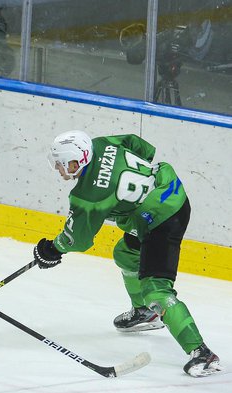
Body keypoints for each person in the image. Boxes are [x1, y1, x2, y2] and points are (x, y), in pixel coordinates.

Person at [32, 130, 222, 377]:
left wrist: (52, 249)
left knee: (157, 290)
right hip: (165, 190)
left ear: (78, 161)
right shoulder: (99, 144)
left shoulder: (89, 195)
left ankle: (202, 353)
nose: (59, 169)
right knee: (126, 254)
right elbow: (138, 144)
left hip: (162, 219)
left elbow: (77, 239)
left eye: (62, 164)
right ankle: (145, 312)